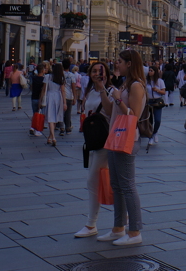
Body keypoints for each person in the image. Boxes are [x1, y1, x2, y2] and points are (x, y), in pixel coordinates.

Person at [98, 50, 146, 246]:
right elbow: (110, 111)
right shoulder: (125, 84)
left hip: (127, 139)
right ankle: (118, 228)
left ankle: (134, 232)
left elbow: (133, 115)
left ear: (129, 63)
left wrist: (118, 98)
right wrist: (102, 89)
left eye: (120, 61)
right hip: (115, 136)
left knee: (127, 185)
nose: (116, 64)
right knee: (116, 185)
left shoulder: (136, 86)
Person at [74, 61, 114, 239]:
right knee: (106, 181)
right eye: (95, 71)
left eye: (102, 71)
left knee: (92, 181)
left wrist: (102, 88)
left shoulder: (111, 91)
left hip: (104, 140)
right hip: (92, 139)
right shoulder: (89, 91)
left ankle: (91, 224)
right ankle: (124, 215)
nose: (98, 74)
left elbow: (109, 110)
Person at [41, 63, 67, 147]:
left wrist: (41, 99)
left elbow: (44, 89)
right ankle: (50, 137)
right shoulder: (61, 78)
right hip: (58, 97)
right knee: (54, 117)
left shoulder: (47, 76)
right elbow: (63, 91)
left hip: (49, 96)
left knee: (50, 117)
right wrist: (64, 102)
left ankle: (53, 137)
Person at [145, 66, 166, 145]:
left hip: (157, 101)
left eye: (151, 71)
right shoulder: (146, 81)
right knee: (149, 120)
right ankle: (150, 137)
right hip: (149, 101)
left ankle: (155, 132)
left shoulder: (160, 81)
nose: (150, 72)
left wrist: (157, 90)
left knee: (157, 120)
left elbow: (164, 92)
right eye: (149, 70)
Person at [62, 56, 80, 134]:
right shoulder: (71, 75)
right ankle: (68, 128)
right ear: (69, 66)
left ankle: (61, 127)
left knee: (60, 112)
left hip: (61, 96)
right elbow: (73, 87)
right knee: (68, 112)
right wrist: (75, 97)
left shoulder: (60, 75)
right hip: (69, 96)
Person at [29, 62, 46, 135]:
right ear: (42, 71)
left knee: (34, 113)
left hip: (34, 97)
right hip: (40, 98)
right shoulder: (44, 79)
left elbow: (31, 87)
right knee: (40, 114)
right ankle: (37, 129)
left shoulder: (34, 78)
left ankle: (32, 127)